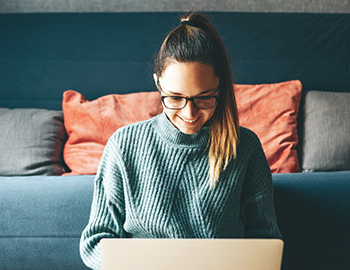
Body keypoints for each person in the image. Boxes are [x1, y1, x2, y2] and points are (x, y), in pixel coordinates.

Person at [79, 13, 282, 269]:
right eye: (175, 98)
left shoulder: (245, 147)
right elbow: (95, 242)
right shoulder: (124, 145)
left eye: (204, 98)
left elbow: (265, 241)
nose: (189, 113)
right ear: (158, 85)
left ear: (220, 88)